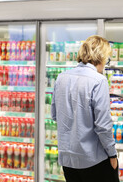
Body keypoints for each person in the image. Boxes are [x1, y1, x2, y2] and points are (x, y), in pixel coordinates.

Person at [51, 35, 119, 182]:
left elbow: (55, 115)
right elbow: (103, 125)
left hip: (67, 160)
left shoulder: (61, 78)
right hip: (93, 160)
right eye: (107, 59)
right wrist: (112, 154)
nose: (106, 64)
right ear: (100, 57)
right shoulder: (98, 80)